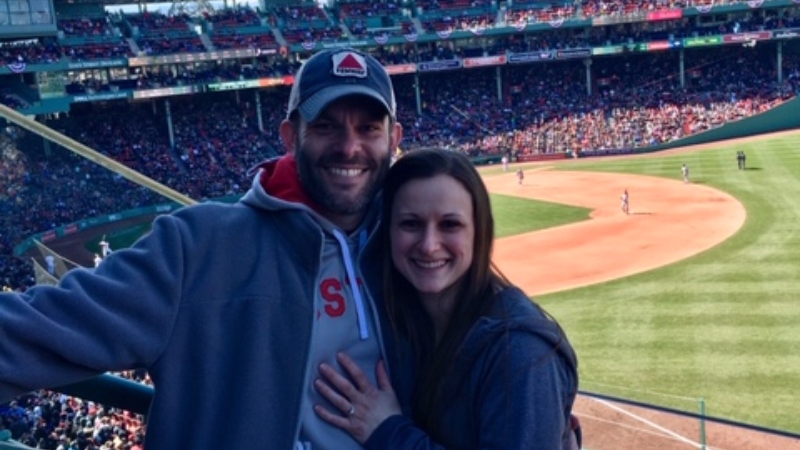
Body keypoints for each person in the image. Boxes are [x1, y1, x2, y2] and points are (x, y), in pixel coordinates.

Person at [0, 48, 403, 449]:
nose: (349, 147)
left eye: (369, 128)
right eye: (326, 127)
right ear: (290, 138)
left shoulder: (416, 252)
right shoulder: (197, 247)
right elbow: (38, 330)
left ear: (394, 139)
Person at [312, 149, 580, 449]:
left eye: (450, 224)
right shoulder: (401, 320)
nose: (429, 245)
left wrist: (389, 431)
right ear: (386, 232)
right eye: (410, 223)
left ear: (478, 232)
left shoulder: (520, 352)